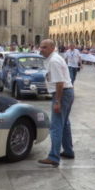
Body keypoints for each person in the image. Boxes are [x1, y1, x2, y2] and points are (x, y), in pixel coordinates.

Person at [38, 39, 75, 167]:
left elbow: (60, 83)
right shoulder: (54, 58)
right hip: (67, 92)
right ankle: (69, 151)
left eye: (44, 47)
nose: (41, 49)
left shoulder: (54, 61)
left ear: (52, 48)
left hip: (62, 94)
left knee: (56, 126)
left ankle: (54, 156)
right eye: (40, 47)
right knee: (64, 124)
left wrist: (57, 101)